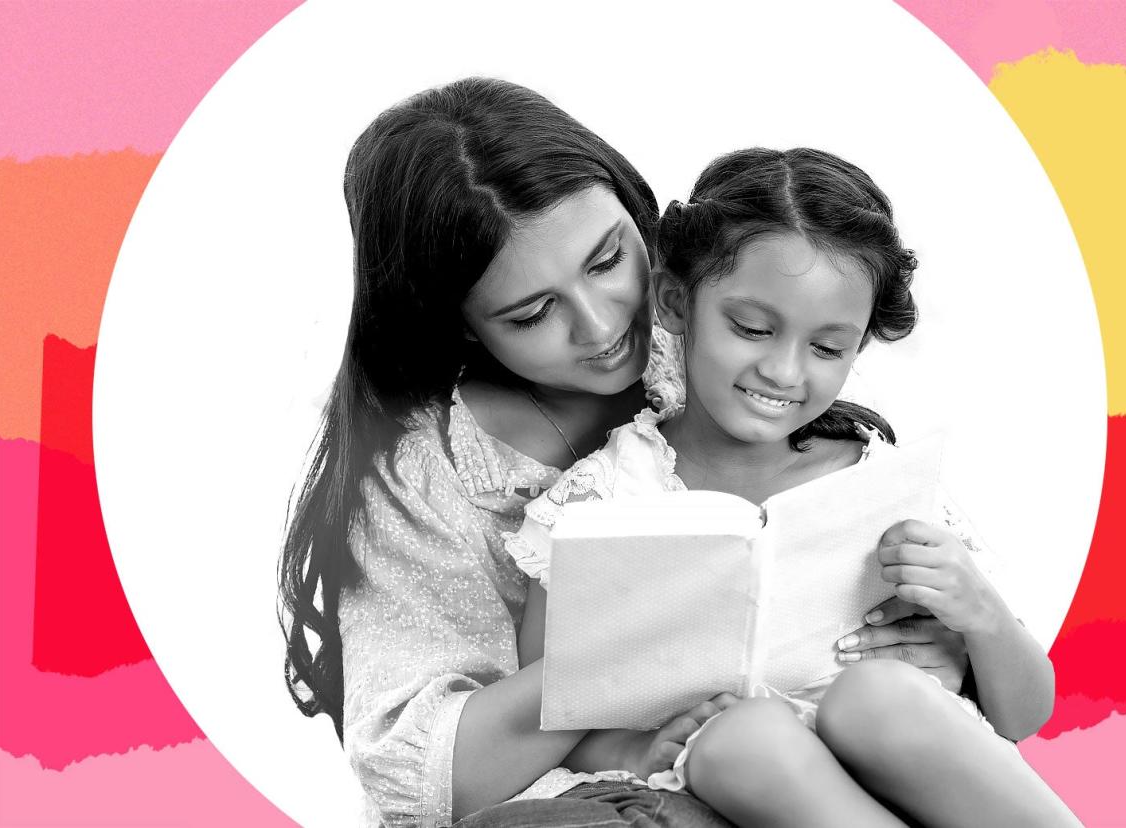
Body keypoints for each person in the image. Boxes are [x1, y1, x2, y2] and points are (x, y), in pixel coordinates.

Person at [277, 78, 974, 828]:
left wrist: (939, 651)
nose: (602, 324)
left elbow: (898, 562)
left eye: (608, 260)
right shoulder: (425, 475)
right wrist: (639, 656)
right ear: (464, 327)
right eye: (534, 312)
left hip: (786, 764)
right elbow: (422, 780)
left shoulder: (720, 332)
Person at [506, 148, 1082, 828]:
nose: (783, 371)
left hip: (913, 766)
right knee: (743, 738)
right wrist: (635, 750)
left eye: (828, 348)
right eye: (751, 329)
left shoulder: (875, 480)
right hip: (750, 774)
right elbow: (554, 711)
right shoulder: (598, 503)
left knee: (875, 697)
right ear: (674, 302)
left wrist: (979, 615)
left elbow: (1024, 716)